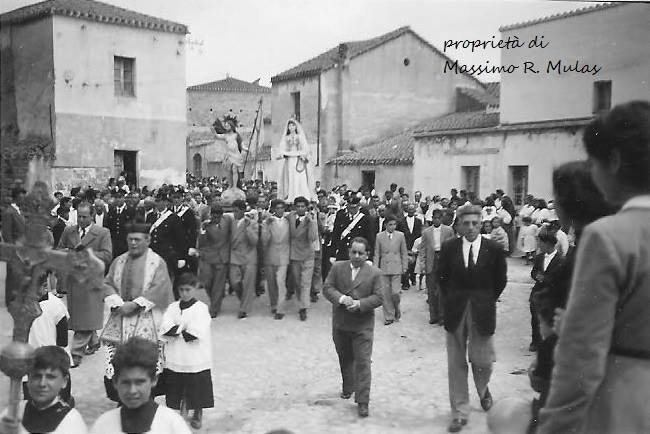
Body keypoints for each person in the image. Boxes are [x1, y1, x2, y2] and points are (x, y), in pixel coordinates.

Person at [538, 101, 650, 434]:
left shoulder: (609, 236)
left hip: (626, 405)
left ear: (613, 161)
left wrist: (554, 426)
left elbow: (581, 356)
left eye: (593, 161)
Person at [437, 204, 507, 432]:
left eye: (475, 223)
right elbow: (442, 278)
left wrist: (486, 300)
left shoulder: (493, 249)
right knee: (456, 363)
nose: (470, 228)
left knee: (483, 360)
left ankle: (483, 388)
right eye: (465, 223)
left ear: (481, 224)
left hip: (482, 311)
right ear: (458, 225)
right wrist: (453, 299)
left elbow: (500, 281)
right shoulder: (449, 248)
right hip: (456, 311)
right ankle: (459, 412)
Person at [101, 223, 173, 402]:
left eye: (137, 239)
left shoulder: (157, 262)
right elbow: (107, 283)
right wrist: (118, 303)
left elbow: (160, 288)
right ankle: (122, 394)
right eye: (130, 239)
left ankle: (147, 396)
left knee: (145, 358)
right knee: (120, 357)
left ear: (147, 240)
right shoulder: (119, 260)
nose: (133, 243)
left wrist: (135, 304)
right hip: (121, 317)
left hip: (146, 319)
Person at [323, 237, 383, 418]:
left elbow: (380, 297)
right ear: (349, 252)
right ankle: (348, 385)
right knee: (345, 357)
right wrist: (341, 299)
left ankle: (363, 401)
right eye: (353, 252)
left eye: (361, 253)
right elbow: (327, 288)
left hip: (362, 325)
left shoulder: (374, 273)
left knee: (363, 361)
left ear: (367, 254)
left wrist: (359, 304)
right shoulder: (338, 267)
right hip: (341, 323)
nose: (356, 256)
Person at [91, 337, 191, 433]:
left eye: (140, 382)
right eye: (126, 382)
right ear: (115, 382)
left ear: (154, 380)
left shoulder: (172, 425)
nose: (132, 390)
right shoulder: (103, 426)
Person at [57, 201, 113, 366]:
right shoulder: (69, 231)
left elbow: (107, 255)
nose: (81, 220)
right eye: (79, 216)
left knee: (86, 318)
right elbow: (59, 248)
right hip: (74, 280)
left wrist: (86, 254)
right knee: (79, 316)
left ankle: (75, 354)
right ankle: (94, 341)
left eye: (84, 217)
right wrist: (68, 252)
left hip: (92, 281)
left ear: (92, 215)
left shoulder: (102, 233)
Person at [159, 273, 214, 430]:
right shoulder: (172, 307)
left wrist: (179, 329)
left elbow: (197, 331)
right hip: (177, 354)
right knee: (178, 383)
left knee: (196, 383)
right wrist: (182, 328)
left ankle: (197, 411)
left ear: (195, 288)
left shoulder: (201, 308)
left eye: (188, 289)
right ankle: (181, 409)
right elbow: (165, 327)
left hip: (194, 355)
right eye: (181, 290)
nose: (184, 293)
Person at [0, 346, 87, 434]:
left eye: (50, 377)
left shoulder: (71, 422)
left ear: (64, 381)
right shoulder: (13, 413)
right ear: (28, 379)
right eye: (37, 376)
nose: (42, 384)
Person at [527, 226, 562, 353]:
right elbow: (533, 272)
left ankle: (550, 344)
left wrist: (545, 279)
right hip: (537, 292)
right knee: (535, 318)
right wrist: (537, 276)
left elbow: (558, 278)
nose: (539, 245)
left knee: (549, 320)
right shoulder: (539, 257)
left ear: (547, 244)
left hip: (551, 293)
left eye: (541, 242)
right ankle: (535, 341)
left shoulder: (560, 260)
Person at [196, 204, 232, 318]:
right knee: (207, 283)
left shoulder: (227, 221)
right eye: (213, 216)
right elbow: (201, 244)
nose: (215, 218)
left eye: (217, 216)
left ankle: (214, 308)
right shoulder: (206, 225)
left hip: (222, 258)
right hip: (208, 258)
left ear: (221, 215)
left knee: (218, 284)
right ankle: (216, 298)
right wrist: (202, 229)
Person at [420, 209, 455, 325]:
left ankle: (443, 316)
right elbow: (423, 249)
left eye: (438, 218)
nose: (436, 220)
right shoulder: (426, 232)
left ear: (442, 218)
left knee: (442, 289)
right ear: (432, 219)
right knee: (431, 290)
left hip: (443, 259)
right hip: (431, 259)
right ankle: (433, 316)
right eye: (434, 218)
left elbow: (453, 246)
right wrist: (422, 263)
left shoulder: (448, 230)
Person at [286, 196, 319, 321]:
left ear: (306, 208)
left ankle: (303, 308)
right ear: (295, 207)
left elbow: (312, 238)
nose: (300, 208)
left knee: (305, 282)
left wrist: (313, 222)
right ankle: (301, 301)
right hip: (294, 255)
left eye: (302, 206)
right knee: (297, 281)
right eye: (298, 206)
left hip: (307, 255)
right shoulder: (290, 216)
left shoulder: (310, 219)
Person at [373, 215, 408, 325]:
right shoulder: (379, 236)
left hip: (396, 267)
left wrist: (405, 265)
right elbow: (377, 253)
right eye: (390, 225)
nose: (393, 227)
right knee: (385, 294)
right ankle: (389, 316)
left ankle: (396, 308)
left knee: (395, 293)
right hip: (384, 267)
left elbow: (404, 252)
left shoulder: (400, 236)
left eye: (394, 224)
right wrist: (375, 267)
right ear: (385, 225)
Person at [229, 199, 259, 319]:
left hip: (249, 257)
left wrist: (248, 228)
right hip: (235, 257)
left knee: (247, 284)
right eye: (233, 211)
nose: (235, 213)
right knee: (234, 282)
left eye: (236, 211)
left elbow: (254, 241)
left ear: (242, 210)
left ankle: (244, 309)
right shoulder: (232, 223)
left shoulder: (252, 223)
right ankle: (245, 301)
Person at [262, 199, 291, 319]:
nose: (280, 210)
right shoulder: (268, 222)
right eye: (277, 208)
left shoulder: (288, 221)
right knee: (271, 283)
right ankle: (274, 304)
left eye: (282, 208)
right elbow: (264, 240)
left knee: (280, 282)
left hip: (284, 256)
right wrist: (267, 226)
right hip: (270, 256)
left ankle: (280, 309)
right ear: (273, 209)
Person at [277, 118, 315, 202]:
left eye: (293, 125)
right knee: (291, 177)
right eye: (289, 126)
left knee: (300, 177)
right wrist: (284, 154)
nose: (291, 127)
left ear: (296, 127)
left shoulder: (300, 137)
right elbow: (282, 149)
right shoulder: (286, 138)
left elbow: (305, 149)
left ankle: (302, 194)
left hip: (298, 160)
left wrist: (302, 155)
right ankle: (291, 195)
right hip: (290, 160)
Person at [330, 197, 372, 261]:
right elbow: (335, 235)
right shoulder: (341, 217)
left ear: (358, 206)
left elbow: (369, 239)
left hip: (358, 253)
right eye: (350, 207)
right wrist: (332, 254)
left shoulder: (365, 219)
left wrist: (369, 258)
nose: (352, 210)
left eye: (354, 208)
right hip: (343, 253)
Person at [212, 114, 247, 188]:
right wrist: (213, 131)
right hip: (229, 155)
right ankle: (230, 185)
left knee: (234, 170)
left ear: (231, 126)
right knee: (229, 171)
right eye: (225, 125)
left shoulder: (236, 135)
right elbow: (217, 136)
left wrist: (245, 148)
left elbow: (241, 143)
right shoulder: (226, 135)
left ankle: (234, 186)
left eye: (227, 125)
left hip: (235, 154)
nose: (226, 127)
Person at [397, 203, 423, 290]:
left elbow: (419, 234)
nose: (411, 211)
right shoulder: (401, 221)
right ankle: (405, 283)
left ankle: (413, 277)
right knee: (405, 264)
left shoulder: (418, 221)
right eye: (409, 209)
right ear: (407, 210)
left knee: (413, 264)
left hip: (414, 246)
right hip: (404, 245)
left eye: (413, 209)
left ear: (415, 210)